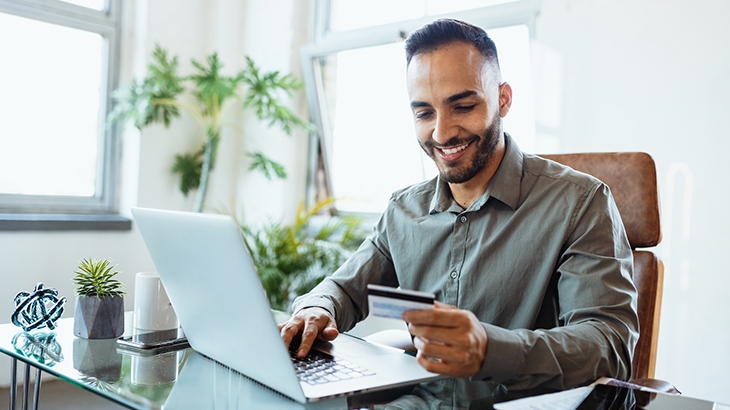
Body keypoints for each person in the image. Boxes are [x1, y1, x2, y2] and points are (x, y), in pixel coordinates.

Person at [280, 18, 639, 405]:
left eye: (463, 106)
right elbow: (344, 290)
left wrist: (490, 349)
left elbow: (609, 345)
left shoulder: (580, 202)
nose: (441, 133)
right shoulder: (404, 210)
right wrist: (317, 308)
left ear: (503, 99)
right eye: (424, 113)